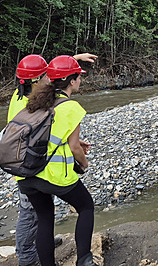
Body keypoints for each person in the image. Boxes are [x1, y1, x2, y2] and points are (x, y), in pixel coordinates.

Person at [9, 53, 96, 266]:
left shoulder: (24, 98)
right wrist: (83, 162)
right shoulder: (66, 105)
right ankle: (83, 260)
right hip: (50, 173)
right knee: (85, 207)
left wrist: (72, 60)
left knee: (44, 218)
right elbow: (72, 146)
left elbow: (45, 131)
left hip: (24, 172)